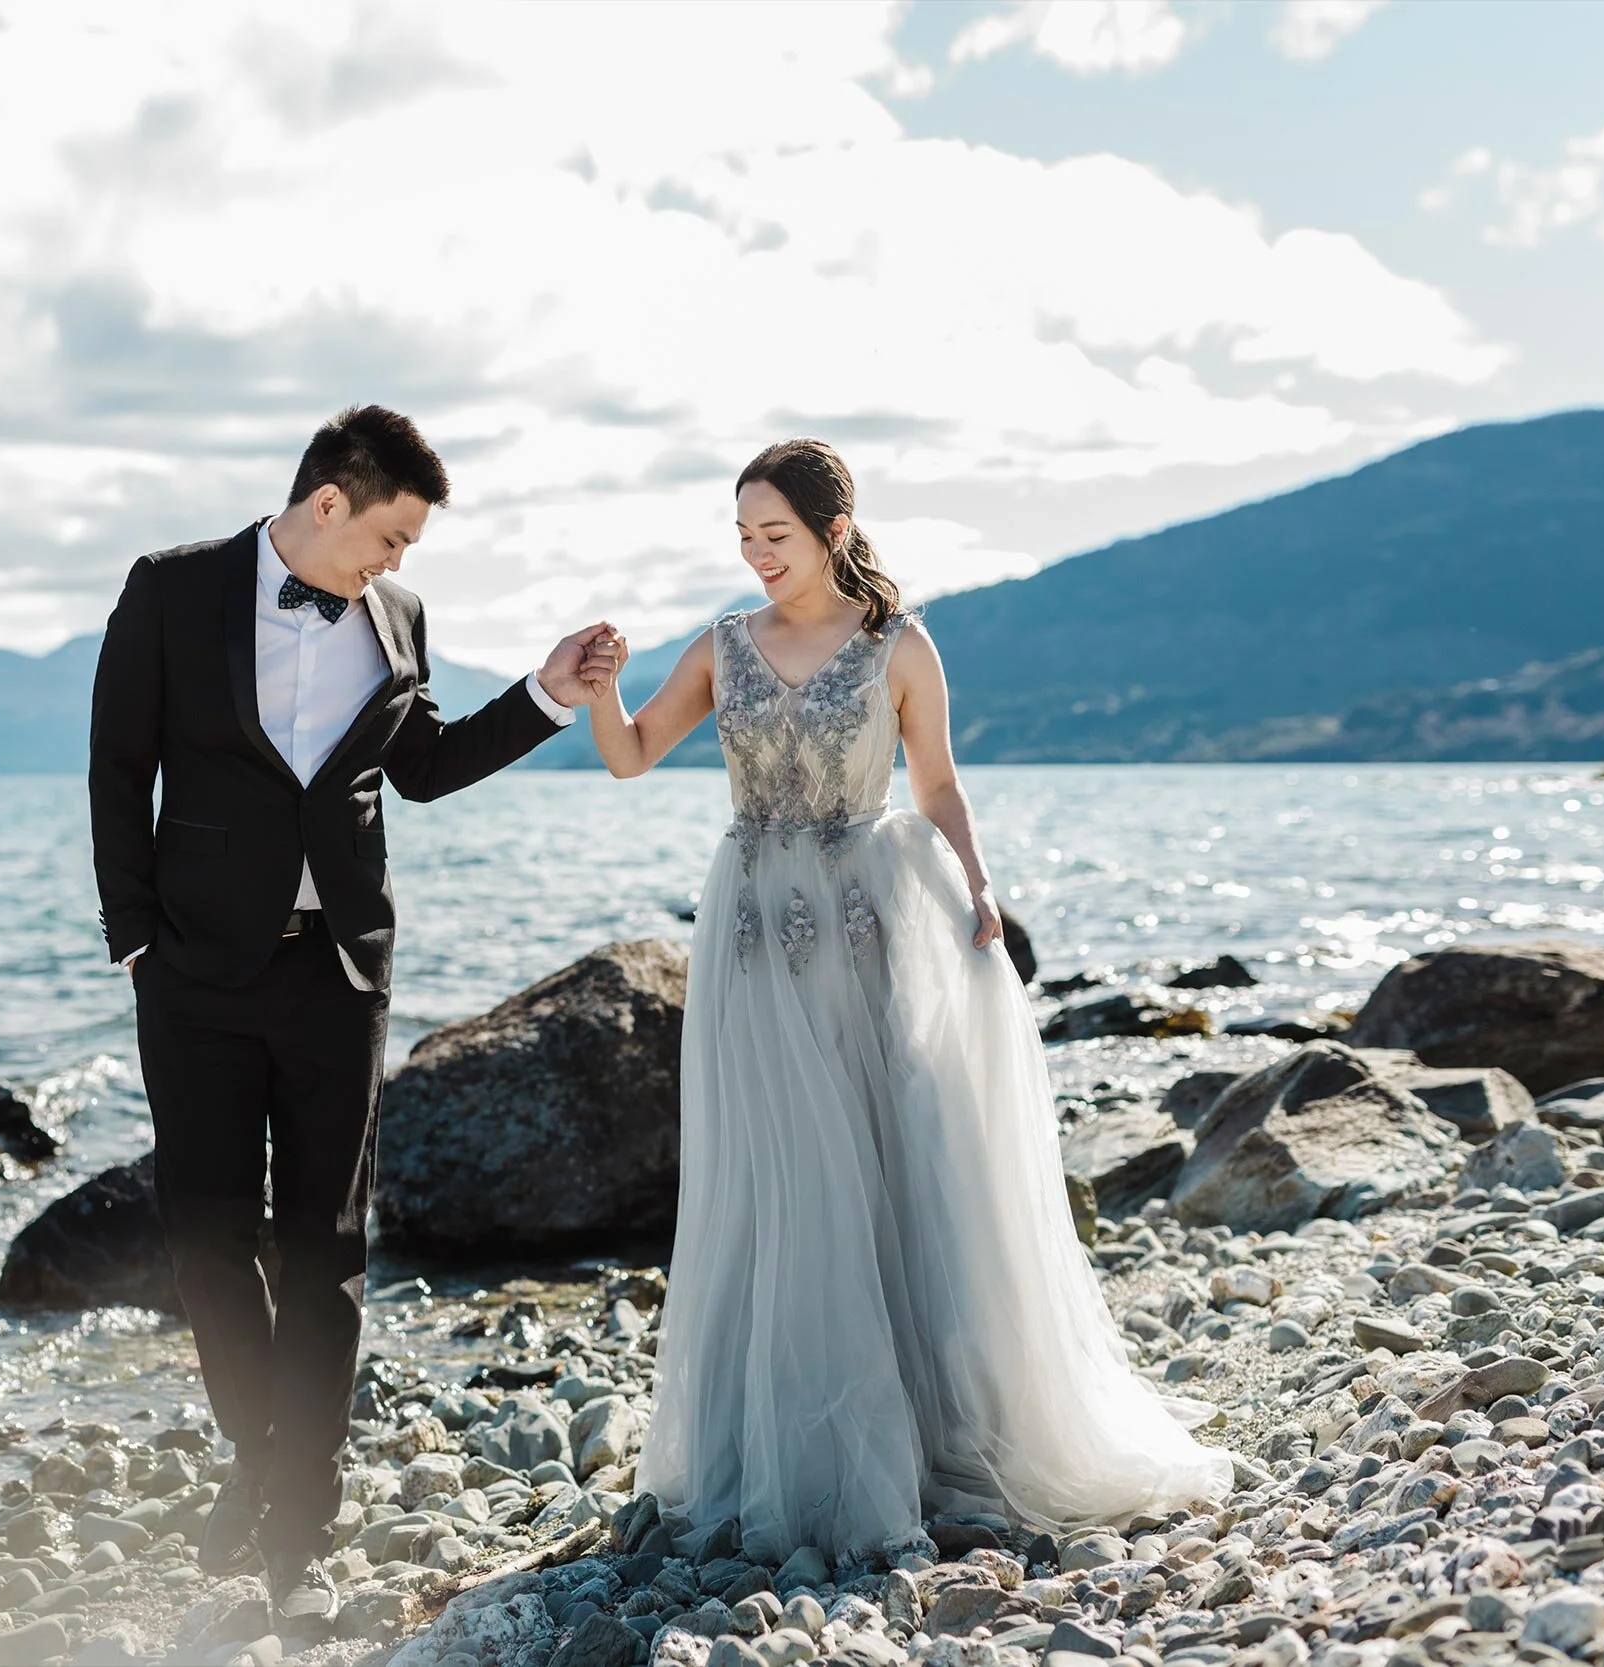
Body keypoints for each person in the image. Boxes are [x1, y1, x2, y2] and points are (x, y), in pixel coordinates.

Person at [581, 438, 1231, 1561]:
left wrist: (977, 885)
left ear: (833, 530)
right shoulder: (722, 646)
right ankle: (777, 1443)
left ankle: (919, 1433)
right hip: (750, 930)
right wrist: (598, 694)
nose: (755, 555)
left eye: (773, 534)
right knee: (778, 1172)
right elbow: (634, 753)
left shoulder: (898, 645)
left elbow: (934, 784)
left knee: (885, 1157)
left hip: (868, 920)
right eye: (741, 535)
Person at [87, 405, 621, 1620]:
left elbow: (420, 765)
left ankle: (300, 1522)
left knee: (326, 1248)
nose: (396, 564)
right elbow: (116, 767)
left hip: (338, 971)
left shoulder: (400, 618)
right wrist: (134, 941)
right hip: (194, 973)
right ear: (329, 501)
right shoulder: (170, 590)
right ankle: (262, 1457)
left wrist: (543, 693)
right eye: (389, 536)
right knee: (207, 1234)